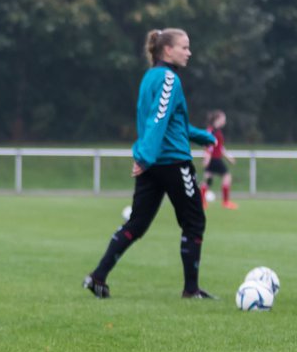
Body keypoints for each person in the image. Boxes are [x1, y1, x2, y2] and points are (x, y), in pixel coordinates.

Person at [83, 28, 218, 299]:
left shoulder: (150, 78)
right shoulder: (170, 79)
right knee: (194, 223)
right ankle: (191, 290)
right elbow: (158, 118)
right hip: (171, 162)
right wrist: (144, 156)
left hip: (153, 161)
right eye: (185, 47)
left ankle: (98, 276)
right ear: (168, 50)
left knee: (136, 224)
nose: (189, 52)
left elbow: (170, 123)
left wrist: (203, 137)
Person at [200, 110, 238, 209]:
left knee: (208, 179)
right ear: (218, 119)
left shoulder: (216, 131)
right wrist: (207, 157)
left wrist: (228, 157)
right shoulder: (211, 131)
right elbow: (207, 145)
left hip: (214, 158)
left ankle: (202, 201)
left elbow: (219, 147)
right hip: (214, 159)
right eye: (223, 118)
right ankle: (225, 202)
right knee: (227, 176)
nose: (224, 121)